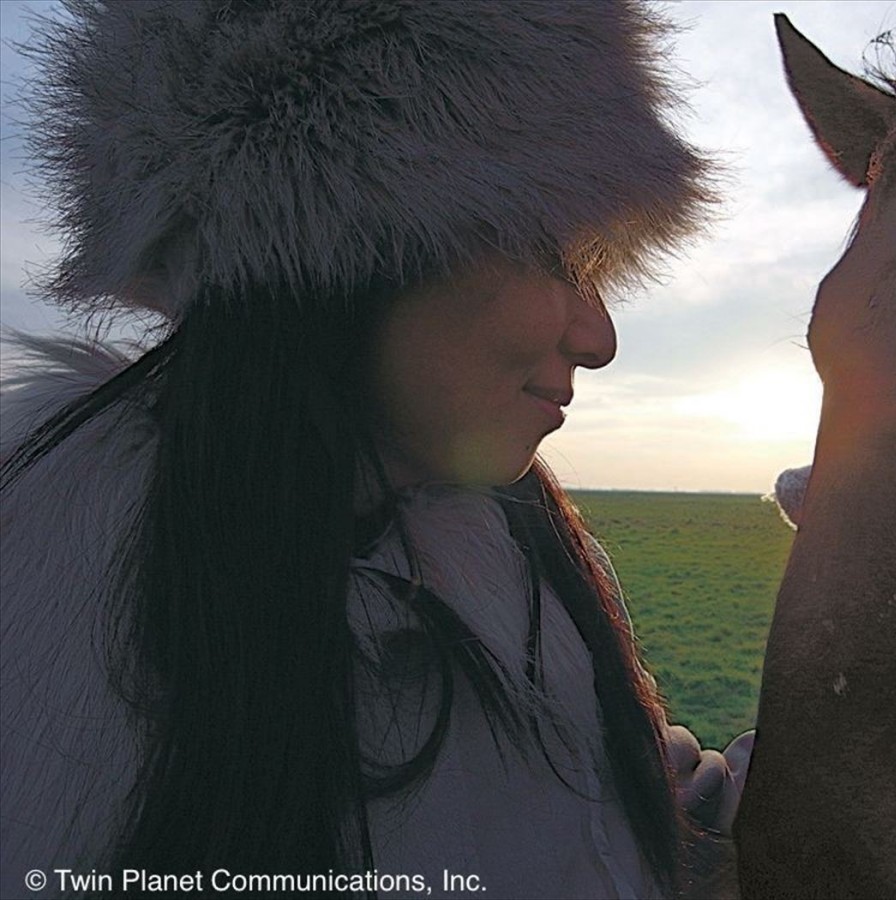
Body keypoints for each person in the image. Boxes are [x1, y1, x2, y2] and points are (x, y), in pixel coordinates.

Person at [0, 2, 752, 899]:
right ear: (351, 243)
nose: (599, 339)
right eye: (557, 261)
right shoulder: (48, 623)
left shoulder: (517, 549)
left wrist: (694, 811)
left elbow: (546, 807)